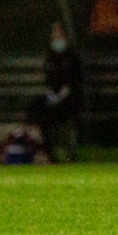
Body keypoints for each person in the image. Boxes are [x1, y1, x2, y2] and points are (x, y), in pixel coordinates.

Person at [31, 21, 84, 162]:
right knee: (37, 109)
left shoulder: (71, 55)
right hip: (53, 98)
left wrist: (63, 93)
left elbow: (76, 79)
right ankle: (47, 152)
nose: (56, 36)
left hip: (69, 99)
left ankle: (68, 153)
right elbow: (48, 79)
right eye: (54, 33)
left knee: (62, 113)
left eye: (59, 32)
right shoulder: (50, 56)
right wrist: (51, 94)